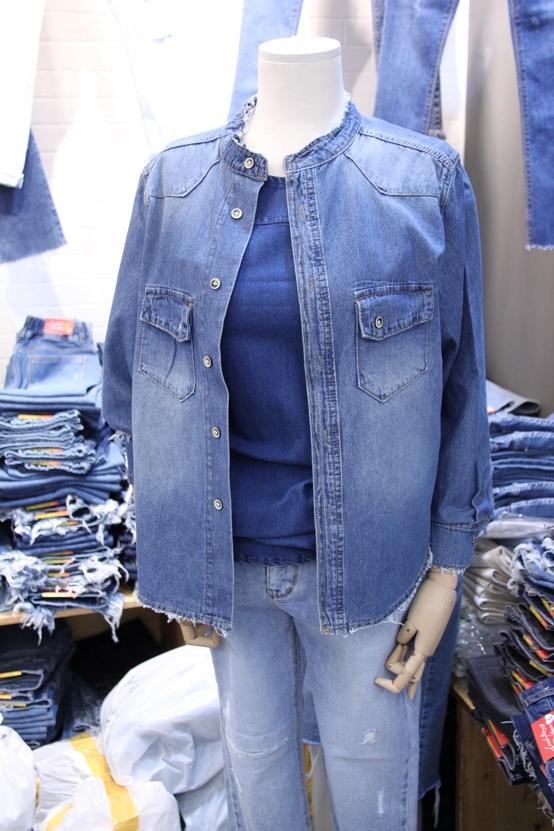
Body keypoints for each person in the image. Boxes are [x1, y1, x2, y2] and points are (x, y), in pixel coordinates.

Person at [103, 35, 492, 831]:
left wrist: (448, 572)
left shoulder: (420, 181)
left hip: (371, 573)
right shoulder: (172, 185)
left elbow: (462, 389)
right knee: (259, 794)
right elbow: (133, 385)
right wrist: (175, 558)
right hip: (229, 574)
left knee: (373, 799)